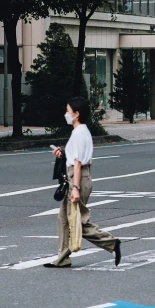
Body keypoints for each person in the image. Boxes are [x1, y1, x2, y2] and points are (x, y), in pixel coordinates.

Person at [44, 96, 122, 269]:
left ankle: (112, 243)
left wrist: (76, 188)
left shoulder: (79, 133)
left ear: (76, 114)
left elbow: (78, 162)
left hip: (77, 178)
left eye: (68, 111)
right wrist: (63, 153)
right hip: (81, 175)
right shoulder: (83, 131)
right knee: (64, 219)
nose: (66, 114)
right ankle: (63, 257)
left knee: (78, 221)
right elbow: (84, 160)